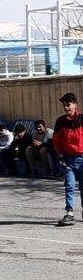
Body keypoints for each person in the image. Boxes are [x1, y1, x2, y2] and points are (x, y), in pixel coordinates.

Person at [53, 93, 83, 226]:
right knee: (69, 186)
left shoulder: (82, 120)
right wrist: (60, 156)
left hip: (82, 159)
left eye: (68, 105)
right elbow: (56, 140)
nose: (65, 107)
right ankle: (69, 213)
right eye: (64, 105)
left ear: (75, 105)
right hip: (68, 159)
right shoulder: (61, 122)